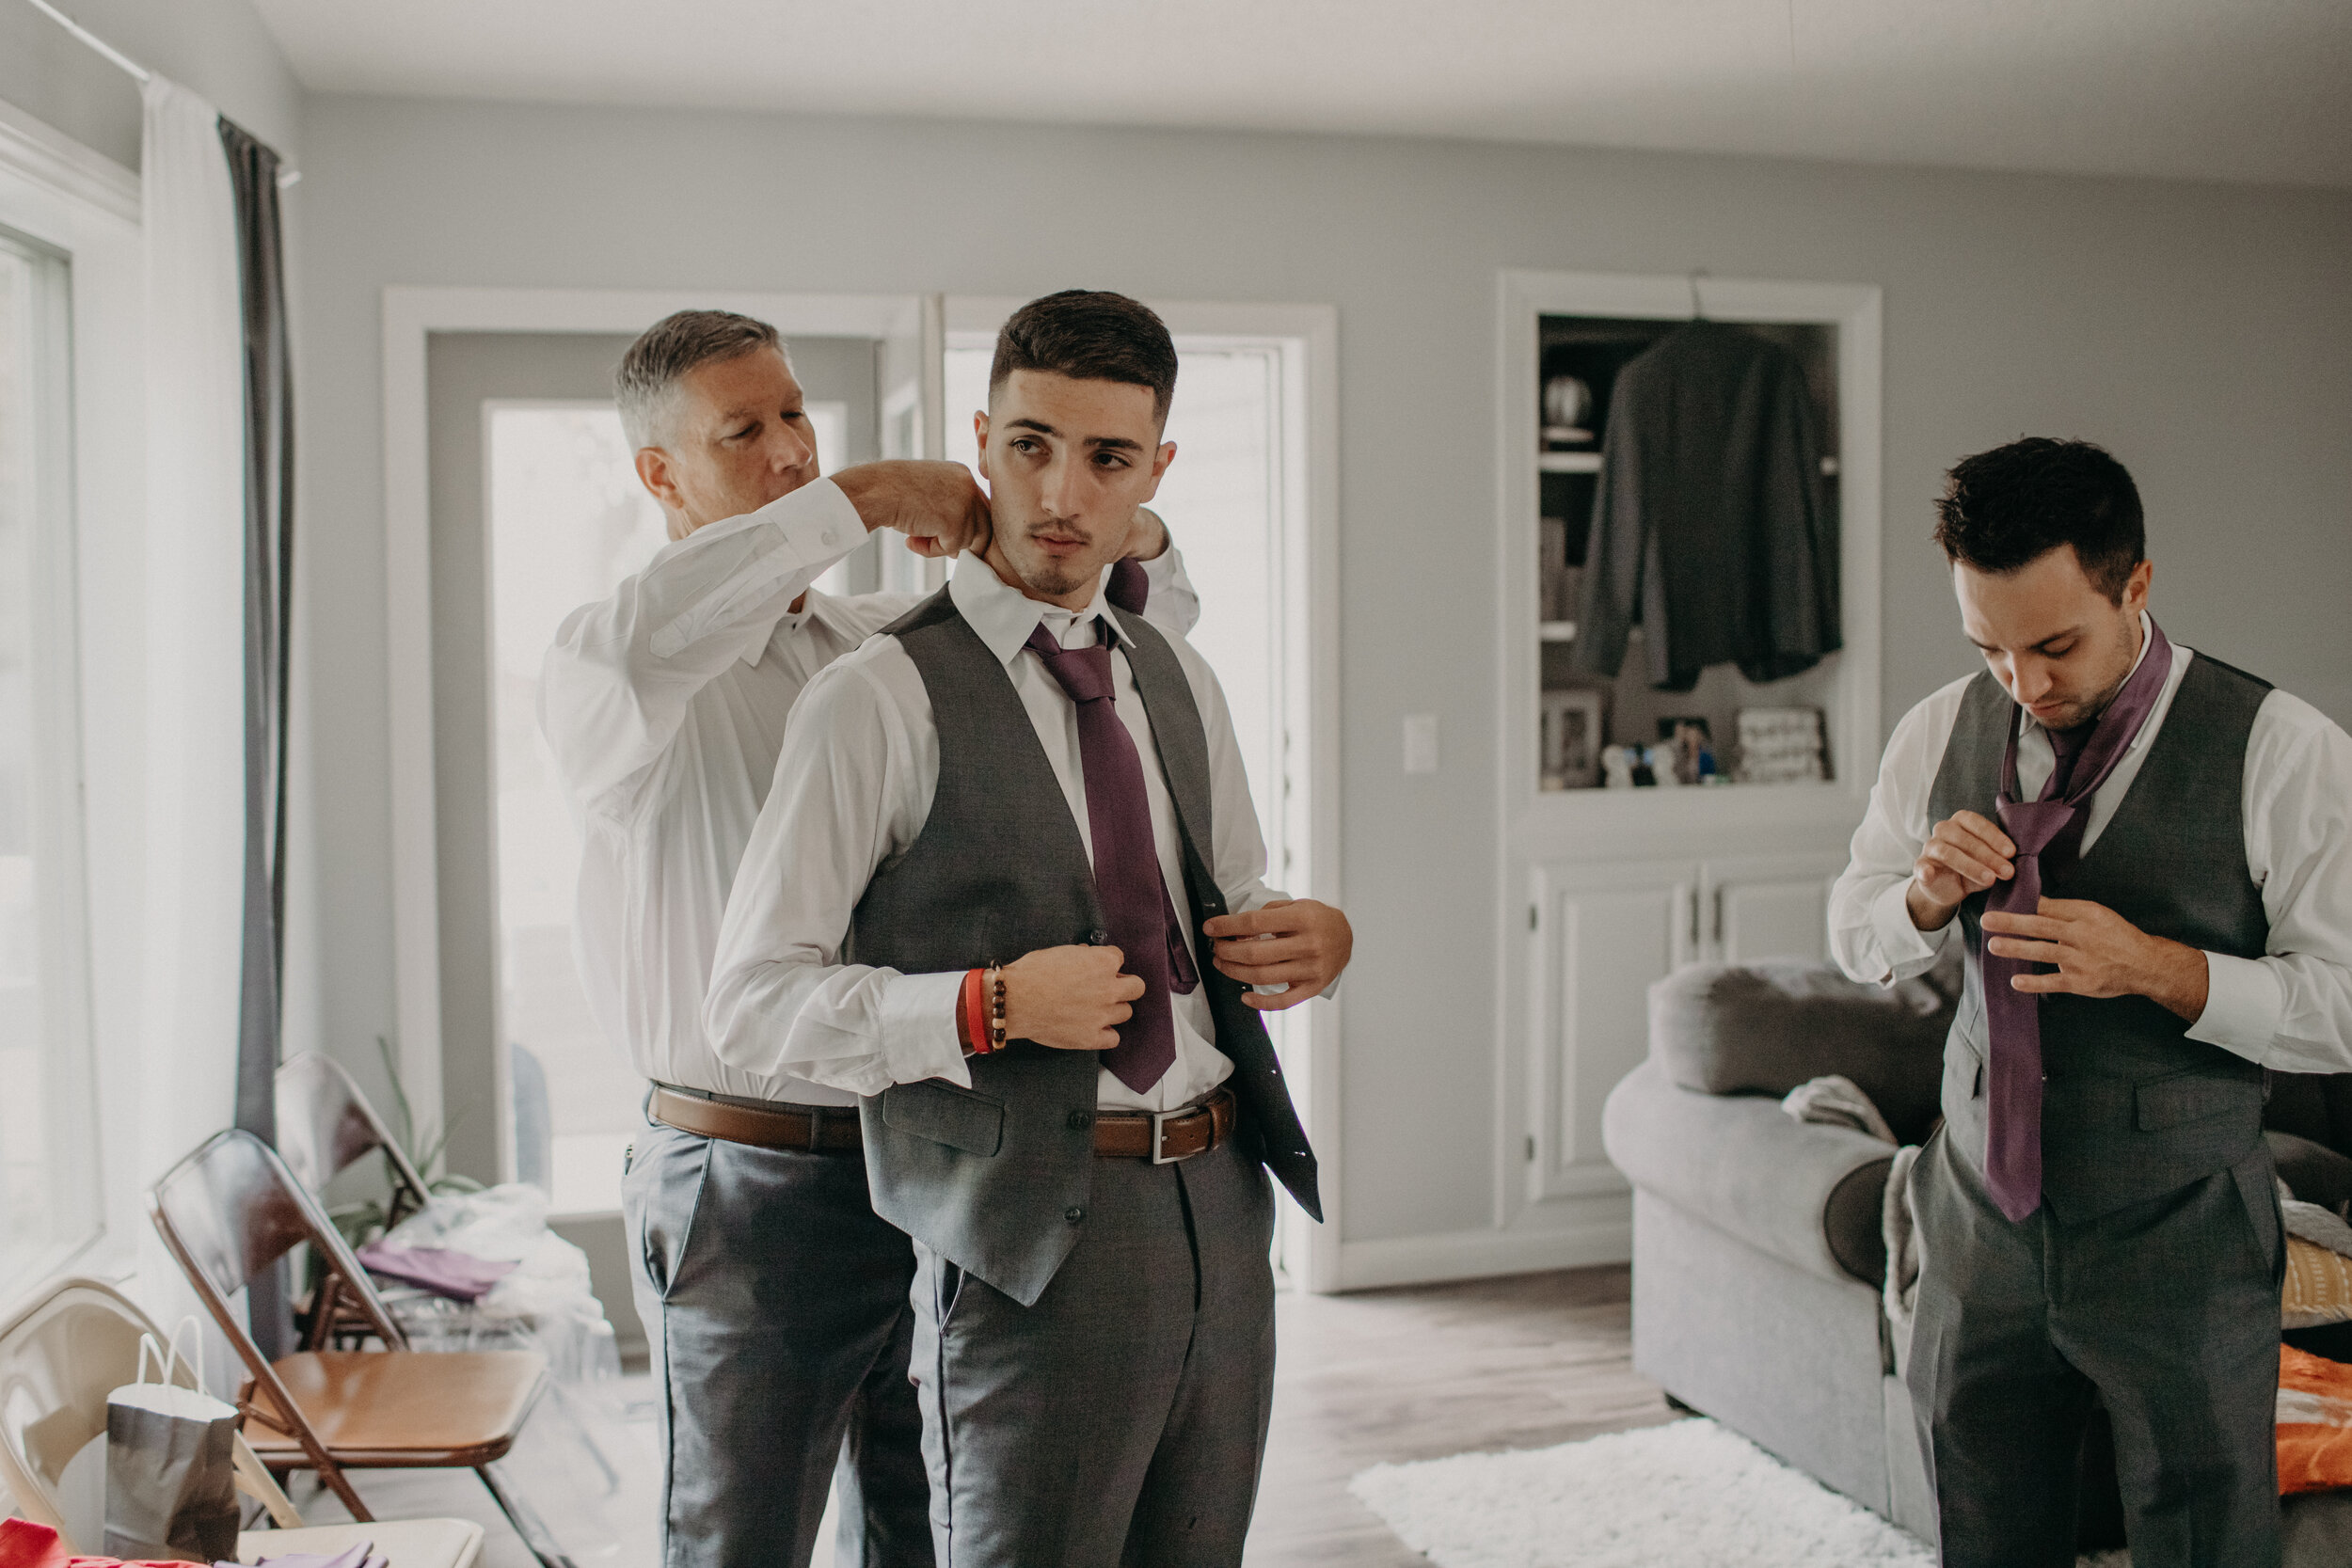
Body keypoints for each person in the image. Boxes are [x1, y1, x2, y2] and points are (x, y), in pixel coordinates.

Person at [539, 309, 1200, 1568]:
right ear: (659, 474)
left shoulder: (876, 647)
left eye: (797, 414)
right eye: (748, 429)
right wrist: (864, 494)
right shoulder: (612, 669)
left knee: (934, 1525)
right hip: (748, 1184)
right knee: (741, 1538)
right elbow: (681, 612)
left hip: (932, 1157)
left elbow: (1146, 605)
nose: (791, 448)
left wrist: (1100, 509)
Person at [703, 289, 1353, 1568]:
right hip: (1031, 1238)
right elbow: (752, 999)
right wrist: (979, 1005)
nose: (1059, 492)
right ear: (982, 440)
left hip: (1224, 1207)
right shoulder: (876, 696)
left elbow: (1234, 891)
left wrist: (1308, 936)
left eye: (1106, 457)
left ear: (1153, 473)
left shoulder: (1178, 668)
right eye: (1029, 444)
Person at [1829, 437, 2352, 1567]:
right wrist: (1917, 898)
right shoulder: (1936, 730)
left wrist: (2162, 968)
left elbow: (2344, 1006)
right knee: (1979, 1529)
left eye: (2054, 643)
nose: (2022, 682)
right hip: (1974, 1221)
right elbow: (1849, 933)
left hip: (2181, 1232)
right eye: (1990, 646)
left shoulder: (2284, 752)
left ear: (2137, 585)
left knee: (2206, 1537)